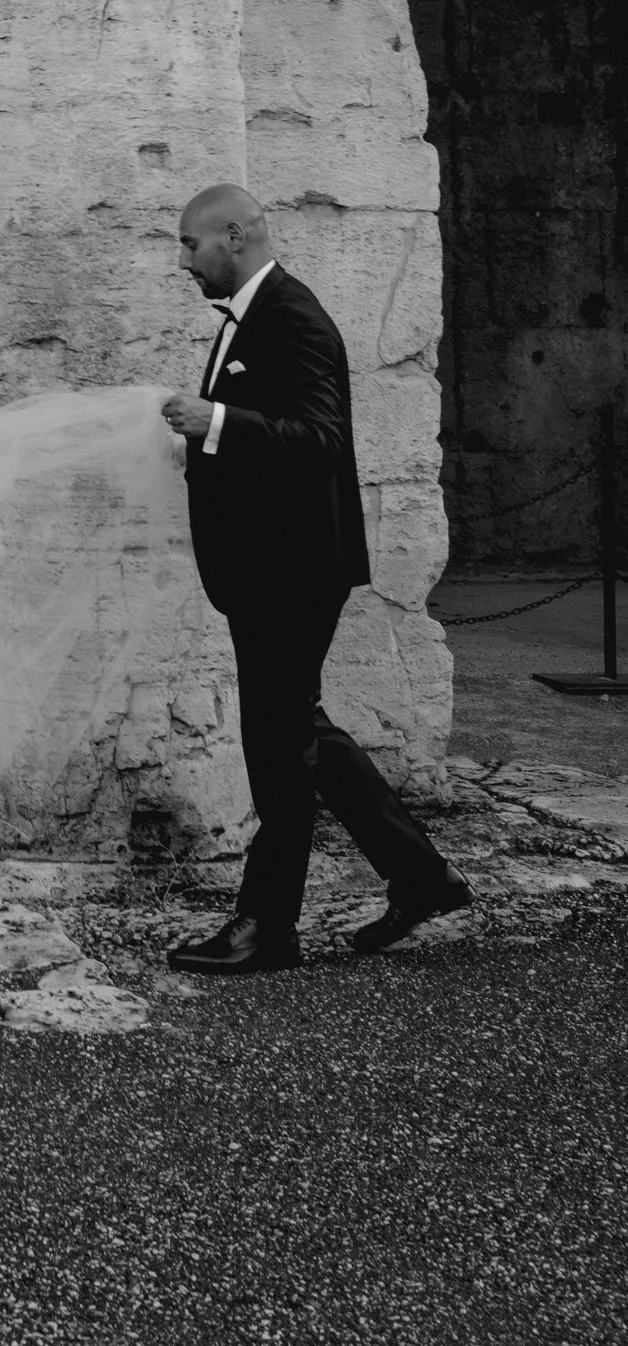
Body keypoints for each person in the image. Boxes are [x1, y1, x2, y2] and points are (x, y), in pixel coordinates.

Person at [158, 182, 470, 975]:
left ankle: (267, 926)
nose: (184, 260)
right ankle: (419, 877)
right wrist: (206, 441)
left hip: (290, 572)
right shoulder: (254, 315)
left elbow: (320, 439)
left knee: (278, 745)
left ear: (234, 236)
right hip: (268, 569)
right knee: (298, 734)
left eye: (191, 245)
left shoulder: (292, 315)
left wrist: (216, 422)